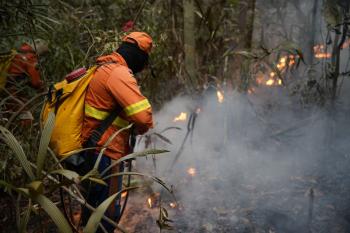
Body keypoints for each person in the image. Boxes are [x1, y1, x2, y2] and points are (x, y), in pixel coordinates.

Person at [81, 31, 154, 232]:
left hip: (92, 151)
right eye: (144, 60)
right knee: (106, 213)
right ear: (138, 56)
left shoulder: (103, 67)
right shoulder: (118, 73)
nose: (144, 66)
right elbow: (143, 117)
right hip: (106, 154)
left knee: (91, 209)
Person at [0, 39, 48, 125]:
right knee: (26, 118)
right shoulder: (30, 57)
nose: (40, 56)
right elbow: (35, 82)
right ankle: (18, 137)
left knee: (8, 115)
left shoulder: (20, 51)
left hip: (5, 88)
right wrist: (45, 89)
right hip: (13, 91)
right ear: (39, 48)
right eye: (42, 53)